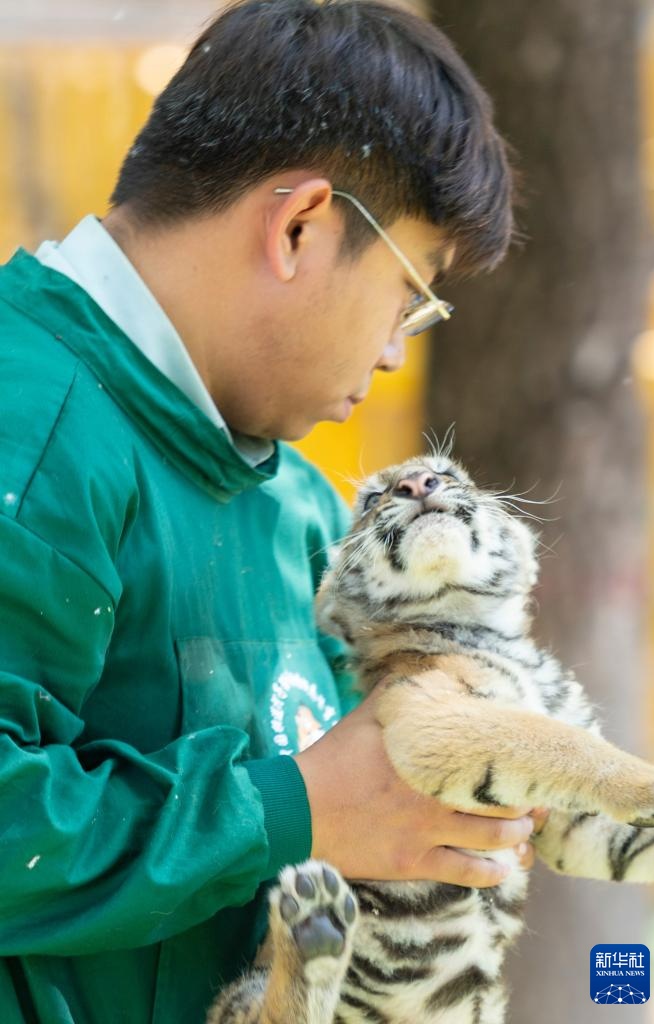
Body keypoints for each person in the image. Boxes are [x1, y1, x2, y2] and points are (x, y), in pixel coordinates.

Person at [0, 1, 546, 1020]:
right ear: (300, 226)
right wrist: (290, 810)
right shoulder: (27, 422)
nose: (394, 352)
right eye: (407, 295)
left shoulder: (294, 497)